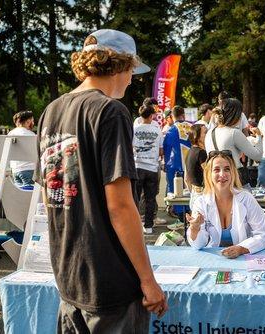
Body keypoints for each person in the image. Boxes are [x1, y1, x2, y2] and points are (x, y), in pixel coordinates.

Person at [34, 29, 167, 333]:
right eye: (132, 68)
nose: (132, 78)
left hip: (69, 276)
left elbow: (49, 197)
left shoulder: (50, 111)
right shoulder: (110, 111)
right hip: (110, 282)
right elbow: (120, 206)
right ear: (118, 64)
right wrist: (148, 279)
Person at [186, 151, 265, 257]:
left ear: (233, 173)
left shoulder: (246, 199)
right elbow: (198, 245)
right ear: (208, 174)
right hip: (214, 258)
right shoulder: (201, 203)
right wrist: (195, 228)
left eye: (227, 169)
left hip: (244, 258)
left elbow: (263, 235)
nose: (222, 174)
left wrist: (241, 249)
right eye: (216, 170)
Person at [205, 98, 263, 186]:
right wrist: (258, 136)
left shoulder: (209, 133)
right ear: (235, 115)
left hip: (216, 181)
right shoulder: (234, 133)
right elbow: (258, 156)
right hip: (235, 181)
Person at [133, 104, 164, 234]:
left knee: (135, 198)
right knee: (150, 199)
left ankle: (134, 224)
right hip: (152, 167)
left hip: (137, 167)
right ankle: (149, 226)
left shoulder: (134, 129)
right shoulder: (157, 130)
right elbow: (161, 151)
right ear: (151, 116)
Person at [163, 105, 192, 216]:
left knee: (176, 191)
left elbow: (166, 149)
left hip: (175, 164)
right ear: (183, 115)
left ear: (172, 116)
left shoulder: (170, 130)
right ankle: (189, 211)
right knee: (190, 188)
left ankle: (179, 214)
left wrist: (165, 163)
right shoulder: (191, 127)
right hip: (189, 163)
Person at [8, 111, 36, 187]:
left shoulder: (10, 133)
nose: (33, 123)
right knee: (29, 195)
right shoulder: (30, 135)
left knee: (20, 193)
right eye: (32, 121)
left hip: (15, 170)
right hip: (29, 169)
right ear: (28, 121)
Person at [185, 124, 207, 209]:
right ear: (197, 137)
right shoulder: (201, 153)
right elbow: (209, 174)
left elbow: (186, 179)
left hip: (194, 194)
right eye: (205, 133)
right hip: (203, 194)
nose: (208, 135)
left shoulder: (190, 151)